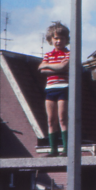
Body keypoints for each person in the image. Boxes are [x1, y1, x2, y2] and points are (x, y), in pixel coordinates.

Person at [38, 22, 70, 156]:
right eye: (56, 38)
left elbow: (64, 67)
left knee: (62, 118)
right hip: (50, 89)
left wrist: (49, 66)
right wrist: (56, 66)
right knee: (51, 120)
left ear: (66, 39)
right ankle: (53, 150)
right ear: (51, 39)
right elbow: (41, 68)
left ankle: (67, 149)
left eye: (61, 38)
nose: (58, 41)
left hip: (63, 88)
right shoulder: (48, 54)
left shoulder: (68, 53)